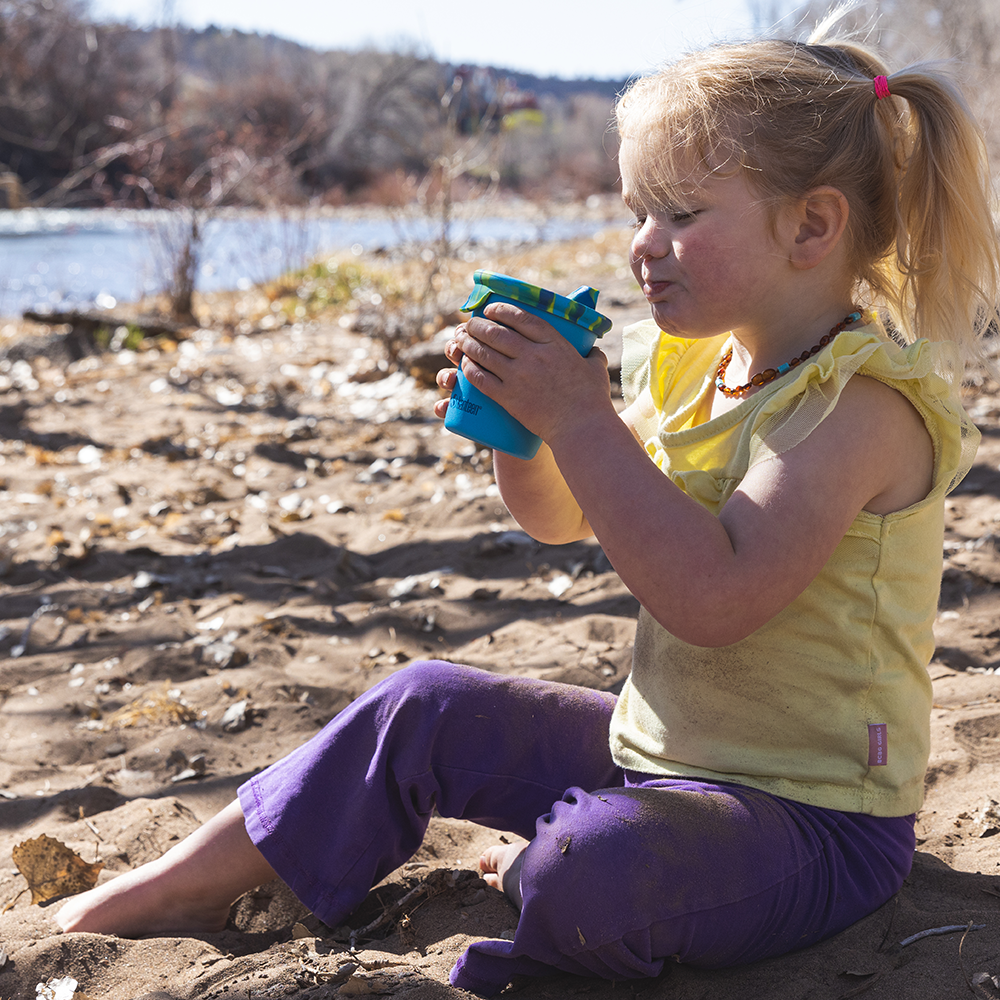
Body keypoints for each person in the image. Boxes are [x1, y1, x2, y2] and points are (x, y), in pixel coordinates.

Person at [55, 14, 1000, 997]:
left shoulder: (859, 409)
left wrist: (583, 420)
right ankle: (181, 886)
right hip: (657, 755)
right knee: (418, 705)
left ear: (810, 226)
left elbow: (714, 600)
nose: (644, 245)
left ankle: (534, 892)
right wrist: (528, 430)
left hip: (815, 817)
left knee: (595, 872)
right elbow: (562, 517)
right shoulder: (695, 363)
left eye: (680, 215)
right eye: (637, 211)